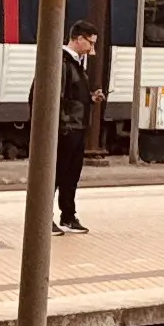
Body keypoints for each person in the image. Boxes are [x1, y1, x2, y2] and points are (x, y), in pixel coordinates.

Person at [53, 22, 101, 236]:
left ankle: (68, 215)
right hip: (67, 130)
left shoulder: (76, 64)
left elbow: (71, 97)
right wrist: (63, 126)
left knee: (71, 175)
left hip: (76, 128)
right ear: (78, 38)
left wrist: (89, 99)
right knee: (55, 175)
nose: (93, 50)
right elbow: (56, 98)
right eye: (90, 43)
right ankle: (45, 218)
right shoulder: (61, 63)